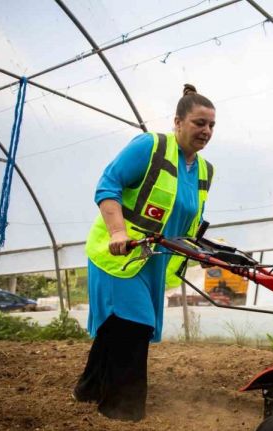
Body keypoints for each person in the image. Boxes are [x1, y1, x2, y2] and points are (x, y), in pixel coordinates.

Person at [73, 84, 216, 421]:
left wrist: (204, 247)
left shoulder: (205, 170)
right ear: (177, 122)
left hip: (153, 262)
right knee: (135, 324)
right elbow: (108, 185)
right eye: (199, 123)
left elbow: (188, 217)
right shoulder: (150, 147)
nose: (206, 131)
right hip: (120, 253)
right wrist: (117, 232)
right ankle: (122, 408)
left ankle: (89, 388)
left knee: (118, 324)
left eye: (211, 125)